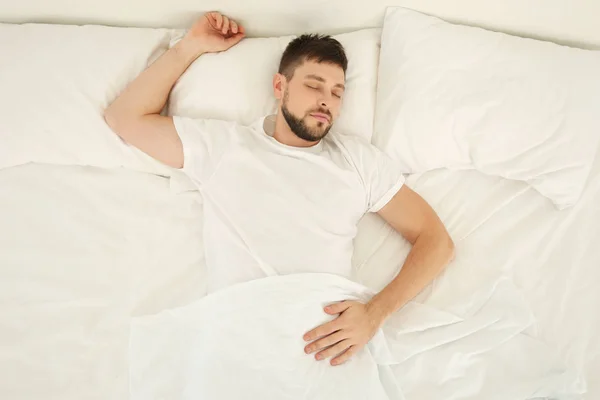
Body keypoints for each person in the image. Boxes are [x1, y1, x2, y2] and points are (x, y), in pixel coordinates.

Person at [105, 11, 455, 368]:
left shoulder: (358, 161)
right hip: (241, 339)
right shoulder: (225, 147)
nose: (326, 101)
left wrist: (374, 314)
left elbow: (436, 241)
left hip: (325, 346)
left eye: (337, 92)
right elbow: (124, 118)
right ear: (279, 87)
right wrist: (189, 48)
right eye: (314, 85)